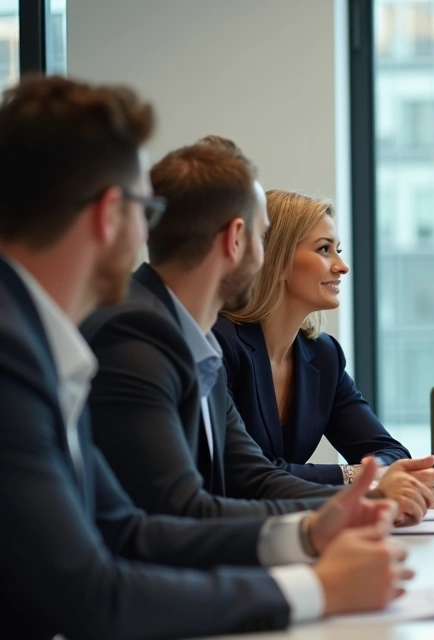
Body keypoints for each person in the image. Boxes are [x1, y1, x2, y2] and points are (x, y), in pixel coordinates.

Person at [0, 75, 408, 638]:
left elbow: (126, 529)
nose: (155, 229)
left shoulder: (55, 340)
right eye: (147, 207)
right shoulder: (39, 351)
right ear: (109, 214)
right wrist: (315, 588)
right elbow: (92, 590)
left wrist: (313, 530)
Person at [82, 137, 434, 525]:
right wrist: (345, 506)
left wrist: (358, 503)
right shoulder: (143, 335)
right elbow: (185, 510)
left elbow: (252, 476)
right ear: (237, 240)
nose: (342, 266)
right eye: (261, 236)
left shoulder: (194, 337)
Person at [214, 190, 434, 498]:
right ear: (276, 260)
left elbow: (390, 453)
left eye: (338, 250)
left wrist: (375, 473)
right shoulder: (219, 344)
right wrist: (354, 475)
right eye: (324, 250)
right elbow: (242, 475)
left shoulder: (323, 355)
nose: (342, 266)